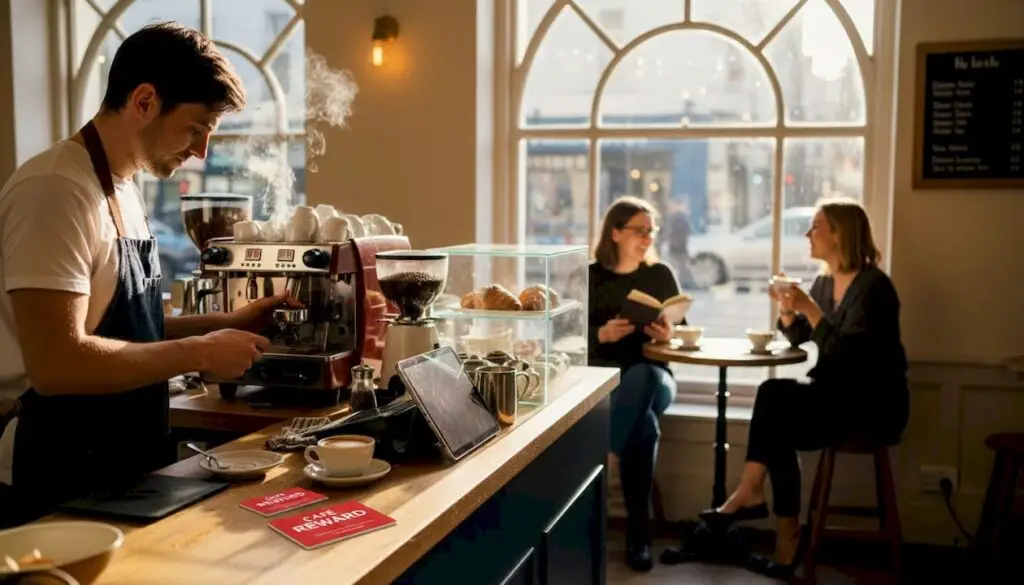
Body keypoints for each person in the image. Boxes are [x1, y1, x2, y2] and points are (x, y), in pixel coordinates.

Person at [0, 22, 298, 527]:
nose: (202, 151)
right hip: (53, 471)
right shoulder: (55, 190)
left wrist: (229, 323)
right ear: (144, 101)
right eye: (196, 128)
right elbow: (56, 365)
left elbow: (127, 334)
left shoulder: (122, 188)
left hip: (120, 462)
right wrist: (202, 353)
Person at [699, 198, 910, 579]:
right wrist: (787, 309)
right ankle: (780, 533)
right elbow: (801, 337)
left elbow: (847, 354)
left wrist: (809, 307)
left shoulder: (874, 288)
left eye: (816, 227)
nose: (808, 234)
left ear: (839, 234)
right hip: (834, 398)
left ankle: (763, 507)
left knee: (774, 399)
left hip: (871, 407)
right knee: (776, 408)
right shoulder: (826, 282)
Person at [588, 196, 686, 572]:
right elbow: (567, 338)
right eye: (639, 230)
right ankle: (638, 538)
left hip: (655, 376)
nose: (647, 238)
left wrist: (667, 334)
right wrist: (602, 335)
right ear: (615, 232)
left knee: (642, 376)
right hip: (606, 381)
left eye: (651, 231)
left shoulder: (659, 274)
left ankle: (608, 461)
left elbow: (679, 333)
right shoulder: (592, 277)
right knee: (643, 428)